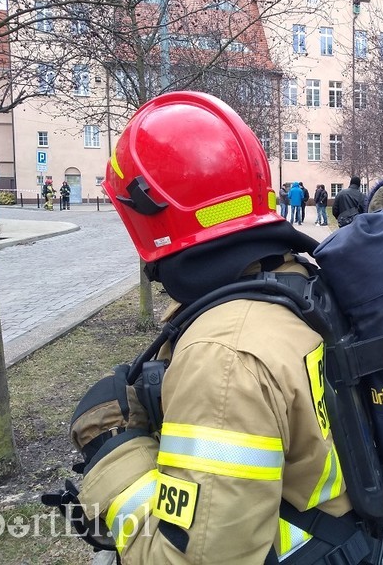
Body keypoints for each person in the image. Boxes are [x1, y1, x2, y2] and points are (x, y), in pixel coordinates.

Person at [75, 92, 359, 563]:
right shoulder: (298, 283)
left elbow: (190, 558)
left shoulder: (223, 358)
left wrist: (112, 452)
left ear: (148, 215)